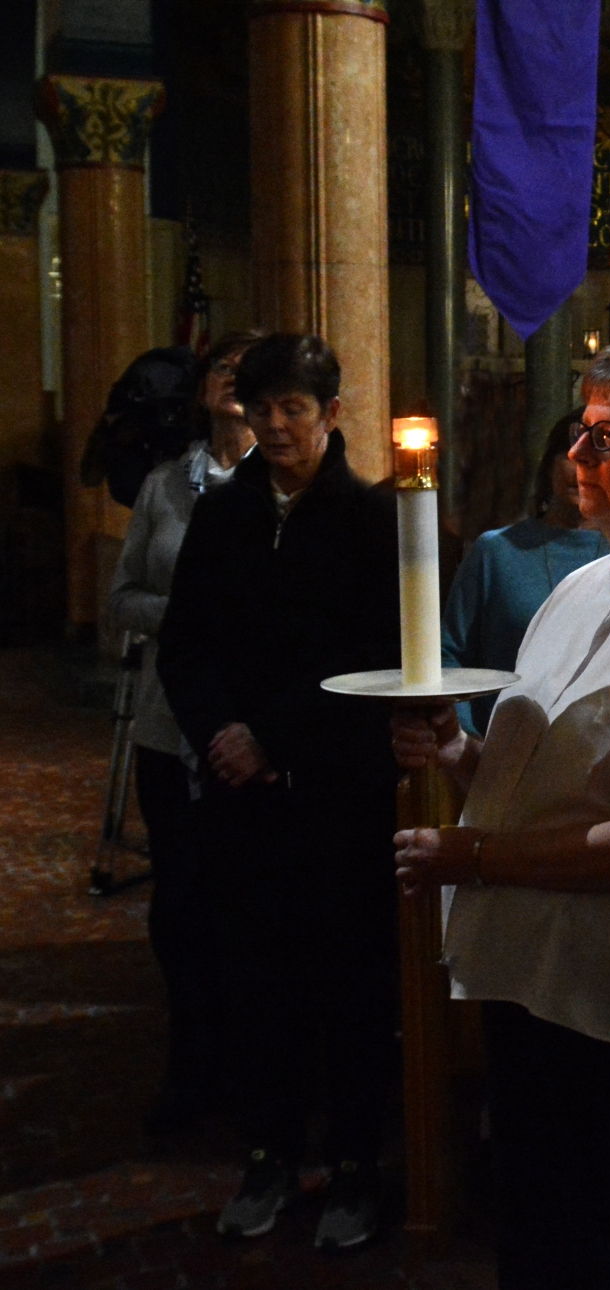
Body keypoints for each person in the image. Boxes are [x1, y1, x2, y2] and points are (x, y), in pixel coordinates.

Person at [390, 338, 610, 1289]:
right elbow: (523, 780)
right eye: (580, 434)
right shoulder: (580, 583)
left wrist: (471, 857)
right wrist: (455, 750)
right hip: (530, 970)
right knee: (541, 1237)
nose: (576, 458)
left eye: (608, 437)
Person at [157, 334, 400, 1250]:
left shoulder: (366, 518)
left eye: (294, 410)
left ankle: (352, 1168)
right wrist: (220, 730)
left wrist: (273, 734)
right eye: (261, 412)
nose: (277, 427)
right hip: (241, 796)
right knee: (255, 983)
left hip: (334, 793)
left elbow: (372, 654)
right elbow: (187, 642)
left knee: (349, 984)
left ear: (331, 415)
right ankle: (267, 1153)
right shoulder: (222, 517)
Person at [107, 331, 263, 1137]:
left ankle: (252, 1067)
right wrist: (187, 618)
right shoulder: (169, 486)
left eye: (250, 374)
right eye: (223, 372)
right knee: (181, 905)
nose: (234, 384)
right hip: (173, 730)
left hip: (252, 730)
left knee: (246, 903)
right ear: (202, 388)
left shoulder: (278, 489)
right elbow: (125, 596)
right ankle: (189, 1063)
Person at [441, 410, 610, 735]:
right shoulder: (497, 550)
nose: (582, 466)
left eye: (598, 456)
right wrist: (463, 733)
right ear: (549, 465)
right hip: (498, 750)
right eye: (571, 453)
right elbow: (449, 651)